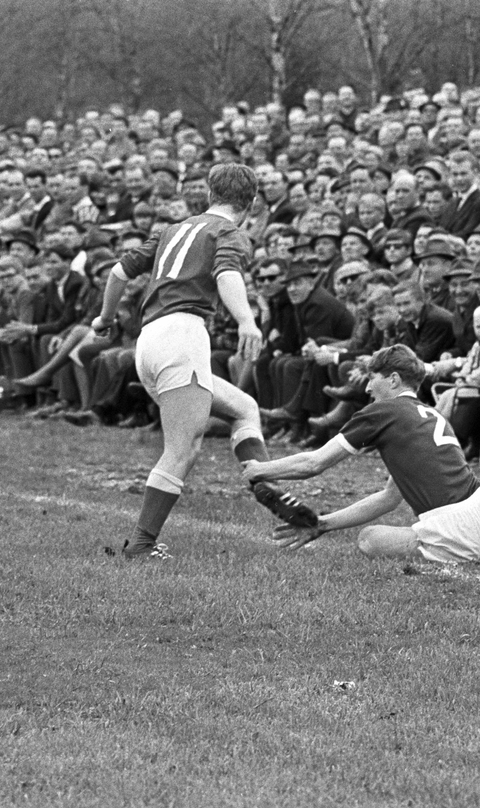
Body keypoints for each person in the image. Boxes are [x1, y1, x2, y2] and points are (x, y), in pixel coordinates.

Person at [92, 163, 318, 560]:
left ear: (210, 194)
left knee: (243, 408)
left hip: (149, 342)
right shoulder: (229, 232)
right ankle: (142, 544)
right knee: (184, 448)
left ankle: (263, 483)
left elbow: (118, 271)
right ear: (249, 203)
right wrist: (247, 320)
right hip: (183, 336)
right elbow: (227, 273)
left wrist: (105, 319)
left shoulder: (171, 230)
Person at [242, 344, 480, 569]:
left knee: (370, 539)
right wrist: (322, 523)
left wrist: (260, 469)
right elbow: (389, 497)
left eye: (372, 378)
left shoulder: (381, 413)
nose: (367, 387)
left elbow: (314, 463)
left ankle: (479, 554)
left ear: (392, 379)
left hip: (455, 527)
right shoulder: (431, 413)